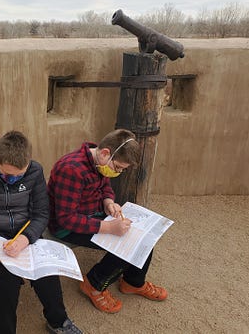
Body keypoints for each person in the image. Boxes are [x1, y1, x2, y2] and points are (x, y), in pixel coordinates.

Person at [0, 131, 82, 334]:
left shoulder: (35, 171)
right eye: (7, 175)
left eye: (19, 175)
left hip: (26, 236)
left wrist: (25, 239)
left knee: (46, 269)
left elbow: (42, 213)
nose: (12, 180)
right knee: (7, 278)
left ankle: (58, 321)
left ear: (28, 162)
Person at [47, 129, 167, 314]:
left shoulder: (99, 161)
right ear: (105, 153)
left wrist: (108, 202)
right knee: (127, 244)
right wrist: (109, 227)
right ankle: (93, 284)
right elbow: (65, 219)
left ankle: (132, 282)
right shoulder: (71, 170)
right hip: (67, 227)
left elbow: (105, 187)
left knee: (144, 236)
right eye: (118, 168)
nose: (118, 172)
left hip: (92, 214)